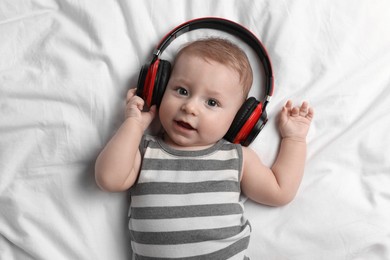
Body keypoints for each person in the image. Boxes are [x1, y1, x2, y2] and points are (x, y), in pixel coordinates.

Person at [95, 38, 314, 259]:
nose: (189, 107)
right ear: (159, 90)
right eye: (181, 90)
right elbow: (109, 178)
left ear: (239, 119)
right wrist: (134, 124)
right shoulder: (144, 150)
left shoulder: (237, 158)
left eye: (211, 103)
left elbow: (280, 190)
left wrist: (294, 139)